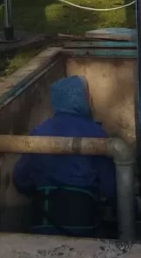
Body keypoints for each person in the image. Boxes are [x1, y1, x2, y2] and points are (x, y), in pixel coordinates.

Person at [13, 75, 116, 237]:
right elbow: (111, 188)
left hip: (42, 226)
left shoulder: (39, 132)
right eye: (88, 97)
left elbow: (20, 179)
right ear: (84, 100)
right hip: (84, 229)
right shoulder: (97, 135)